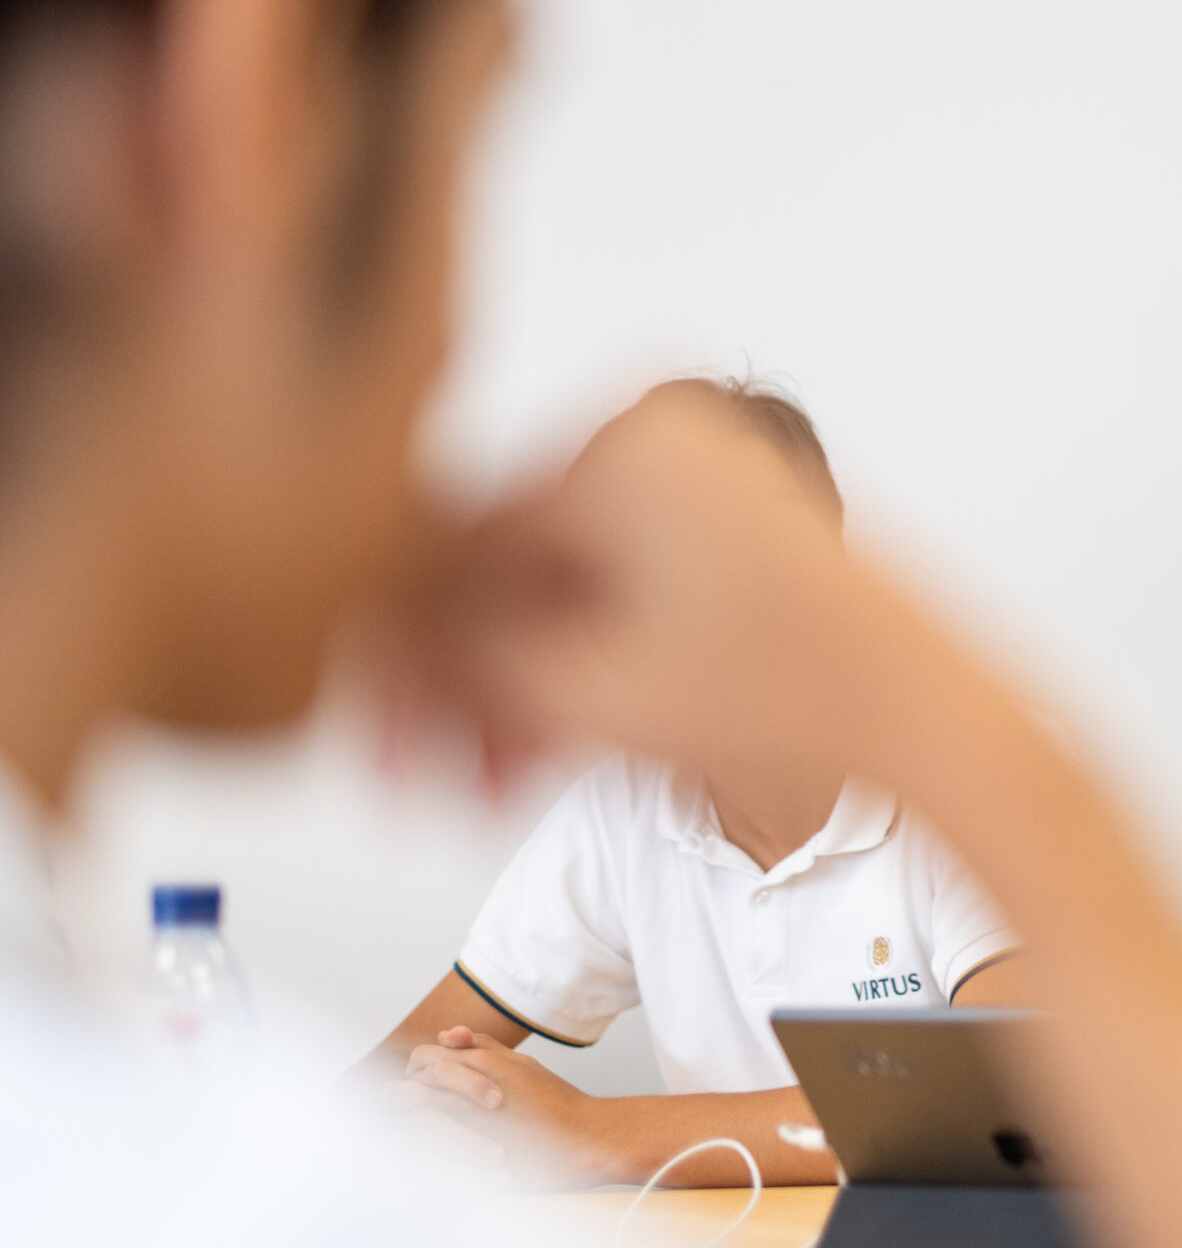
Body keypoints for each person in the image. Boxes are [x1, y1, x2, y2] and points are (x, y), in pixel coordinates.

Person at [0, 0, 1182, 1245]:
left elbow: (1020, 1100)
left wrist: (586, 1111)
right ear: (256, 75)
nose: (448, 346)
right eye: (464, 136)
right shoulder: (250, 1182)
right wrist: (962, 735)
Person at [359, 378, 1029, 1188]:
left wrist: (593, 1128)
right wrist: (440, 1103)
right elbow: (396, 1072)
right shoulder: (623, 810)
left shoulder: (966, 768)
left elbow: (996, 1099)